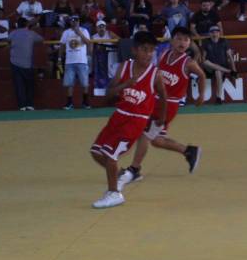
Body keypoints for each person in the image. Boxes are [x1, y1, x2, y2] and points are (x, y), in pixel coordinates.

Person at [117, 27, 207, 189]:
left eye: (186, 40)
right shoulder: (164, 55)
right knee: (157, 140)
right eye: (179, 38)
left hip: (169, 104)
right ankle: (188, 151)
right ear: (172, 40)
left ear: (190, 43)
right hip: (154, 99)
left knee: (145, 134)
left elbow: (201, 75)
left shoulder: (188, 62)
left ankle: (134, 169)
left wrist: (201, 95)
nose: (182, 42)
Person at [90, 31, 167, 209]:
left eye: (151, 51)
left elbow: (163, 96)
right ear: (134, 50)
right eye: (144, 50)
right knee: (96, 152)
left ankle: (114, 193)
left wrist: (161, 118)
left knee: (110, 155)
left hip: (136, 120)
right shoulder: (124, 68)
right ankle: (122, 175)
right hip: (119, 115)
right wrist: (125, 84)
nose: (148, 54)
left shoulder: (155, 74)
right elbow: (109, 94)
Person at [8, 18, 44, 111]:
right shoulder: (31, 33)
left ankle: (22, 106)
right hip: (28, 63)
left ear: (17, 25)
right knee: (29, 85)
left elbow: (8, 40)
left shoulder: (13, 33)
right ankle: (30, 104)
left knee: (19, 85)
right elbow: (41, 39)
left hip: (15, 62)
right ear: (26, 24)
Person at [60, 15, 93, 110]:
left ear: (79, 21)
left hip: (82, 60)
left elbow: (88, 43)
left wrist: (79, 33)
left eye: (76, 20)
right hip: (69, 61)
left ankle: (85, 102)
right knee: (69, 83)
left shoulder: (84, 31)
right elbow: (62, 45)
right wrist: (59, 58)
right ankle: (69, 103)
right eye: (73, 20)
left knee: (85, 83)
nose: (74, 22)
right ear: (70, 22)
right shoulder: (66, 32)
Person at [201, 26, 236, 105]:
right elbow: (203, 57)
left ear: (219, 33)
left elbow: (230, 56)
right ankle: (229, 71)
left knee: (218, 71)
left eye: (216, 32)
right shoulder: (206, 41)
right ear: (209, 34)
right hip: (209, 67)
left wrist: (235, 71)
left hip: (222, 67)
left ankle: (218, 97)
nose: (215, 34)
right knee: (205, 62)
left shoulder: (224, 41)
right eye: (212, 32)